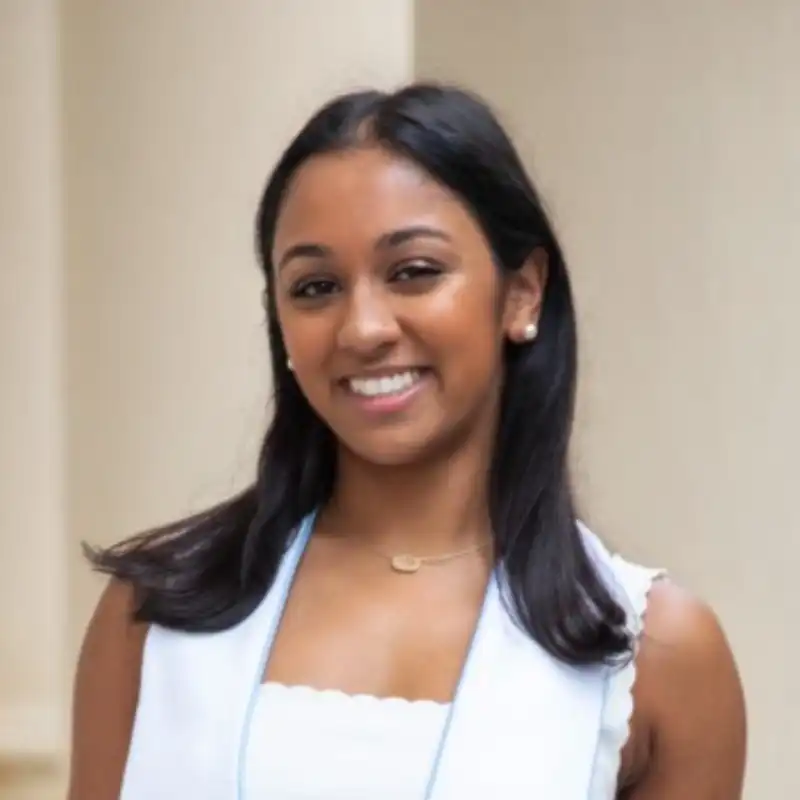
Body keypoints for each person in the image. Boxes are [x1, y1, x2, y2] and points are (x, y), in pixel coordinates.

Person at [68, 83, 746, 799]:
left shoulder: (652, 653)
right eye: (315, 287)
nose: (364, 328)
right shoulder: (158, 615)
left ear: (522, 291)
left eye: (414, 273)